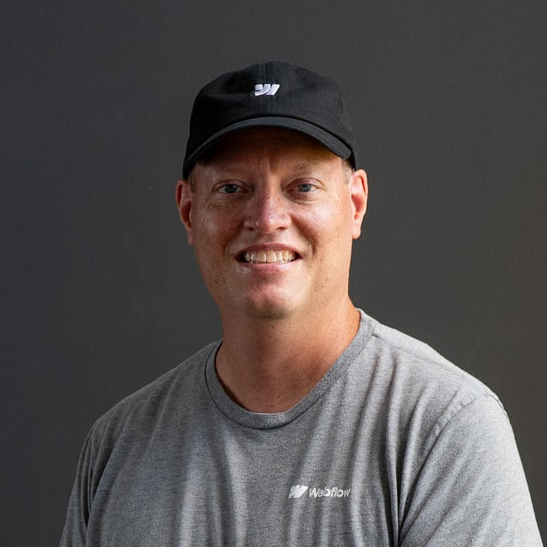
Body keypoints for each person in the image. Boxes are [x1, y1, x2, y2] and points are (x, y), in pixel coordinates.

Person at [60, 61, 543, 546]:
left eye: (303, 187)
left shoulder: (443, 429)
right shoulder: (117, 447)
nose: (267, 218)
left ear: (355, 205)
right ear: (189, 211)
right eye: (232, 189)